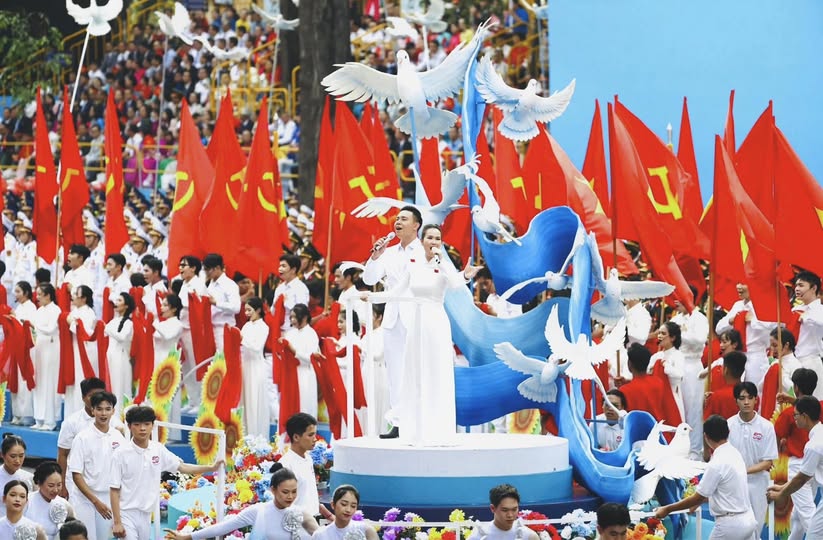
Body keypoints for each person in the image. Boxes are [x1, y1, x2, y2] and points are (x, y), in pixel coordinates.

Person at [371, 224, 479, 444]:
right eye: (430, 237)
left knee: (437, 372)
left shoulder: (443, 265)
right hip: (417, 322)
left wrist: (465, 275)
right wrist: (370, 297)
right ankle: (415, 429)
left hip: (436, 321)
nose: (434, 242)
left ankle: (439, 429)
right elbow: (396, 292)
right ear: (422, 241)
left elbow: (456, 283)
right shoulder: (413, 265)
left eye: (438, 238)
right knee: (416, 372)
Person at [111, 406, 222, 539]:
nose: (142, 428)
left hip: (146, 514)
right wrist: (117, 522)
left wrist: (210, 468)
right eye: (137, 424)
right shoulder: (120, 454)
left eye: (146, 424)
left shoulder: (157, 449)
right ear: (129, 426)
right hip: (126, 513)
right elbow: (114, 490)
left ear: (152, 426)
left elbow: (182, 467)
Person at [362, 207, 426, 438]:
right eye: (397, 218)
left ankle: (419, 421)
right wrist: (375, 256)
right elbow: (369, 279)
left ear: (416, 225)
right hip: (392, 317)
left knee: (416, 371)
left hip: (415, 315)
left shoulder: (423, 250)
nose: (398, 222)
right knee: (395, 373)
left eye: (404, 219)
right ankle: (398, 422)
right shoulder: (388, 252)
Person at [656, 415, 757, 539]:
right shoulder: (735, 453)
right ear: (728, 432)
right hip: (748, 519)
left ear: (706, 436)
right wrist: (699, 501)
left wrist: (667, 509)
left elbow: (699, 497)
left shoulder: (717, 463)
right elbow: (724, 491)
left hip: (730, 525)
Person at [164, 463, 319, 540]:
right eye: (285, 492)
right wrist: (189, 537)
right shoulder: (259, 511)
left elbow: (321, 535)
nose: (290, 497)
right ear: (273, 490)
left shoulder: (301, 514)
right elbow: (223, 527)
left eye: (294, 492)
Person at [68, 391, 126, 539]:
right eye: (99, 409)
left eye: (108, 409)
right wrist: (95, 501)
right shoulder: (82, 438)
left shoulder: (118, 437)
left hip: (108, 499)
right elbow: (76, 474)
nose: (103, 413)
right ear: (92, 410)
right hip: (84, 499)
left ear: (113, 411)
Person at [57, 377, 123, 499]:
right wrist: (62, 485)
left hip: (104, 487)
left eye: (100, 394)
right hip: (77, 485)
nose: (96, 399)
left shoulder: (114, 422)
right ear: (83, 397)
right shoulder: (71, 422)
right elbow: (63, 454)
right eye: (91, 395)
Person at [727, 381, 778, 537]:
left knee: (755, 527)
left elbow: (768, 462)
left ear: (756, 399)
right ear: (736, 400)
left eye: (750, 398)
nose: (746, 402)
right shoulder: (728, 425)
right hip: (734, 484)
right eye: (742, 398)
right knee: (737, 529)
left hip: (758, 485)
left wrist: (744, 470)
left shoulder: (766, 426)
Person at [774, 369, 819, 540]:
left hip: (797, 466)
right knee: (799, 516)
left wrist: (781, 445)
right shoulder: (819, 407)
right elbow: (810, 406)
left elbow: (776, 437)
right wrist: (792, 400)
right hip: (815, 467)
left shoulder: (788, 414)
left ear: (796, 388)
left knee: (807, 514)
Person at [768, 397, 823, 536]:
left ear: (805, 416)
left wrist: (781, 493)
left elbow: (801, 479)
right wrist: (782, 487)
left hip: (801, 474)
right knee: (798, 518)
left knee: (813, 533)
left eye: (796, 415)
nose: (794, 418)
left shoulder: (814, 445)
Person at [715, 283, 777, 385]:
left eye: (743, 283)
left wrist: (753, 320)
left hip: (755, 357)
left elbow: (774, 325)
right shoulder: (738, 305)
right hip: (736, 356)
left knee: (753, 392)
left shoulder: (764, 304)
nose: (738, 286)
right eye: (738, 283)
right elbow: (719, 329)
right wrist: (731, 321)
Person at [278, 413, 333, 520]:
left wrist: (330, 516)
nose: (315, 439)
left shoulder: (308, 459)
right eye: (310, 435)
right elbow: (282, 504)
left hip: (313, 521)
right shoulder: (286, 465)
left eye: (315, 434)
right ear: (296, 437)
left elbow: (309, 495)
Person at [177, 255, 207, 412]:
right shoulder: (183, 284)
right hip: (183, 328)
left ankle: (201, 401)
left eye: (184, 265)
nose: (180, 268)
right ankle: (192, 400)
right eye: (180, 265)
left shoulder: (199, 285)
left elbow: (197, 307)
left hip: (194, 331)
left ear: (194, 268)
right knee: (186, 366)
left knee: (196, 365)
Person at [64, 285, 98, 418]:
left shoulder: (88, 312)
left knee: (80, 381)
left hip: (83, 351)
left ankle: (81, 414)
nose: (72, 296)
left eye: (76, 294)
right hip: (73, 349)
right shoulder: (76, 310)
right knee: (72, 382)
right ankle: (70, 415)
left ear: (84, 298)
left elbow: (83, 331)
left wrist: (70, 321)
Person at [32, 283, 62, 430]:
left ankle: (50, 420)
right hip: (40, 348)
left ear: (48, 295)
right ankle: (39, 418)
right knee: (39, 381)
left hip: (51, 348)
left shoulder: (56, 310)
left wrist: (34, 326)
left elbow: (51, 329)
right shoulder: (39, 310)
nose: (37, 297)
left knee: (50, 382)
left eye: (39, 294)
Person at [281, 304, 319, 418]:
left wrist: (294, 351)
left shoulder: (311, 334)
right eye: (291, 317)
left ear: (305, 317)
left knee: (304, 404)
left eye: (295, 317)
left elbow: (311, 357)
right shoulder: (290, 333)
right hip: (290, 374)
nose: (292, 320)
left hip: (305, 373)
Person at [240, 297, 270, 439]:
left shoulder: (263, 327)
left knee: (254, 401)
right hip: (245, 366)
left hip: (256, 367)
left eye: (249, 310)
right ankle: (245, 437)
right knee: (244, 402)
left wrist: (241, 339)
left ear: (258, 310)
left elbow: (257, 347)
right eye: (245, 310)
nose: (246, 313)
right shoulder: (246, 326)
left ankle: (256, 437)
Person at [466, 484, 538, 540]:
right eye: (505, 510)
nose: (510, 515)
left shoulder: (529, 536)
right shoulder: (478, 536)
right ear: (493, 508)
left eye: (514, 509)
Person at [792, 271, 823, 399]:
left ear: (814, 288)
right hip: (794, 361)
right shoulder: (795, 310)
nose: (797, 289)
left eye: (801, 285)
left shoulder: (819, 310)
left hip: (811, 361)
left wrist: (806, 318)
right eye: (796, 285)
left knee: (814, 401)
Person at [615, 343, 665, 421]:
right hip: (656, 428)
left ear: (630, 364)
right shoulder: (658, 382)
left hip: (635, 429)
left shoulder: (624, 390)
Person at [26, 462, 75, 540]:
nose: (55, 490)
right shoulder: (27, 501)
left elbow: (74, 531)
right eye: (51, 485)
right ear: (39, 483)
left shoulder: (65, 505)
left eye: (59, 485)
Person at [312, 485, 379, 540]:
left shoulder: (366, 530)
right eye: (344, 504)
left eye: (353, 506)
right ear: (333, 504)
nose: (348, 510)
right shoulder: (320, 535)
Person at [203, 253, 240, 351]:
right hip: (211, 329)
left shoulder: (230, 285)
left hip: (224, 329)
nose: (206, 273)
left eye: (208, 269)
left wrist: (216, 303)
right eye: (205, 270)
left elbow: (236, 308)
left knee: (223, 362)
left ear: (217, 268)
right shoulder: (210, 285)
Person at [11, 281, 36, 424]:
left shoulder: (31, 308)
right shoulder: (18, 307)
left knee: (24, 380)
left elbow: (30, 327)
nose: (16, 294)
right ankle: (17, 413)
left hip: (26, 349)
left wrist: (17, 319)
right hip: (15, 347)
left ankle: (26, 414)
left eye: (19, 291)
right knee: (16, 380)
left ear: (26, 293)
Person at [105, 293, 135, 411]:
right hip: (111, 355)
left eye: (119, 300)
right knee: (111, 386)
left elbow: (122, 337)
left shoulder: (128, 323)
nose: (116, 303)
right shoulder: (114, 320)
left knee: (119, 387)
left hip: (121, 357)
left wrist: (108, 330)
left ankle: (120, 415)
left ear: (126, 305)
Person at [703, 352, 747, 420]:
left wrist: (708, 403)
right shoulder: (751, 395)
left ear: (725, 370)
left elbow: (707, 422)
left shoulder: (717, 397)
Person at [0, 435, 34, 517]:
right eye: (13, 456)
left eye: (21, 456)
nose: (18, 461)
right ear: (2, 455)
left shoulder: (29, 478)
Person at [274, 254, 310, 330]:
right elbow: (273, 310)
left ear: (293, 270)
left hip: (292, 330)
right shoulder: (280, 288)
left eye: (283, 266)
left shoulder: (300, 288)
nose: (280, 269)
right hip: (277, 329)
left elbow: (302, 312)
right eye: (280, 266)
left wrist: (286, 302)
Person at [153, 294, 183, 366]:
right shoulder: (162, 323)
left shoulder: (178, 324)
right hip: (156, 359)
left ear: (174, 309)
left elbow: (167, 336)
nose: (161, 307)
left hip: (168, 359)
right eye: (161, 305)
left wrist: (154, 321)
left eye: (165, 305)